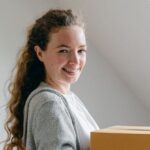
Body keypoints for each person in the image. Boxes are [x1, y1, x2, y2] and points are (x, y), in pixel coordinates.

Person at [4, 9, 99, 150]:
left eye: (81, 51)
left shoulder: (67, 98)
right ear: (40, 53)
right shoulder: (50, 103)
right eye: (64, 51)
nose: (75, 60)